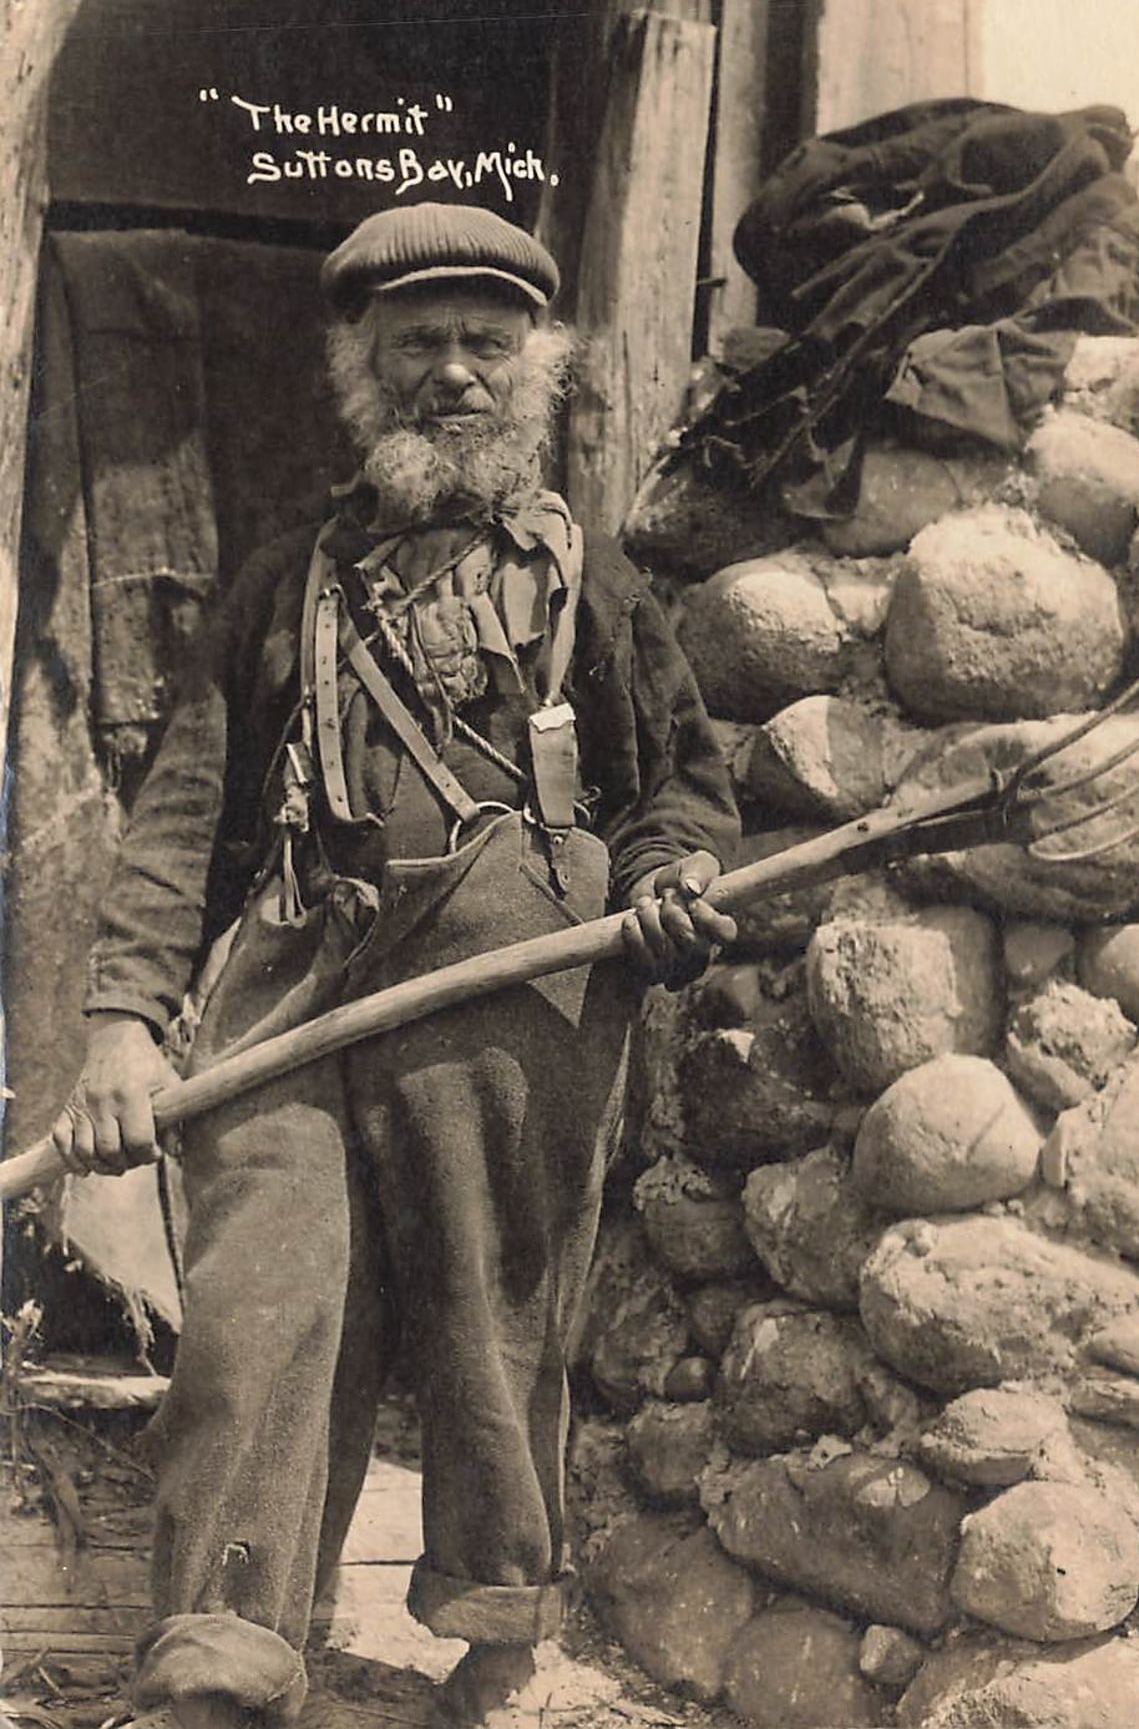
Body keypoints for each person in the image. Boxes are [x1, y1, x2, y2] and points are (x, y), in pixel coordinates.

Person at [54, 202, 740, 1728]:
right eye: (415, 344)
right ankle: (222, 1663)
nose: (452, 374)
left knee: (499, 1328)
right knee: (257, 1316)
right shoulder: (282, 582)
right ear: (357, 368)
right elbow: (184, 822)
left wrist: (673, 874)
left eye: (484, 346)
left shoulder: (595, 589)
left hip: (519, 1009)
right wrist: (122, 1022)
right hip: (299, 998)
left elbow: (676, 787)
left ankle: (498, 1627)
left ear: (534, 368)